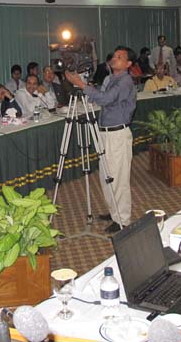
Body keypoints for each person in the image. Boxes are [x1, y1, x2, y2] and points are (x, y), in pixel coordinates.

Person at [65, 46, 137, 233]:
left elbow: (106, 99)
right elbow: (98, 98)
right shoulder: (110, 79)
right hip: (104, 132)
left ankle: (122, 219)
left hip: (117, 134)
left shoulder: (125, 81)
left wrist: (81, 85)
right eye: (114, 55)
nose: (114, 59)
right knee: (107, 176)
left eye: (120, 57)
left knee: (118, 178)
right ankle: (114, 211)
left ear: (128, 63)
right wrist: (83, 84)